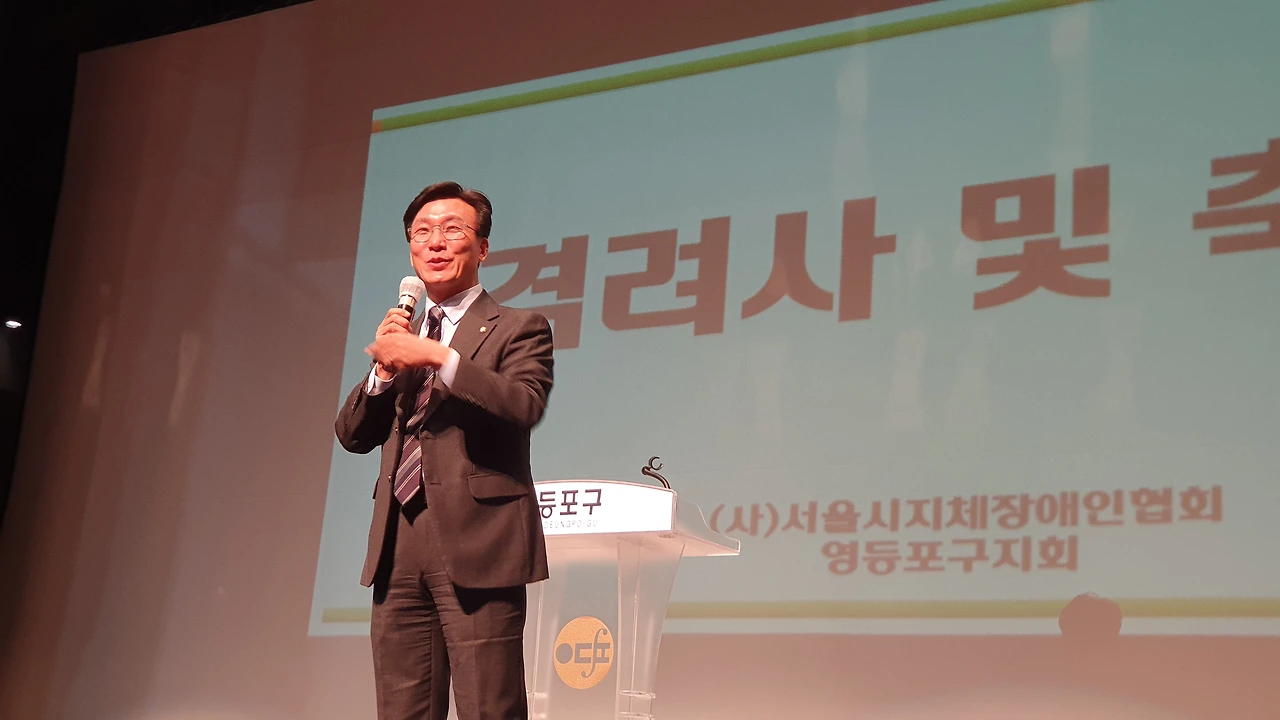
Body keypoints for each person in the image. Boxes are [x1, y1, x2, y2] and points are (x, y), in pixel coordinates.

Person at [335, 181, 554, 720]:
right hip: (397, 546)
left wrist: (438, 356)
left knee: (489, 708)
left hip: (481, 542)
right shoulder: (403, 336)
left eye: (452, 230)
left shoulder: (519, 327)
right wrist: (384, 374)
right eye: (422, 232)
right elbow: (353, 435)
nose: (435, 242)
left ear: (482, 247)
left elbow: (523, 404)